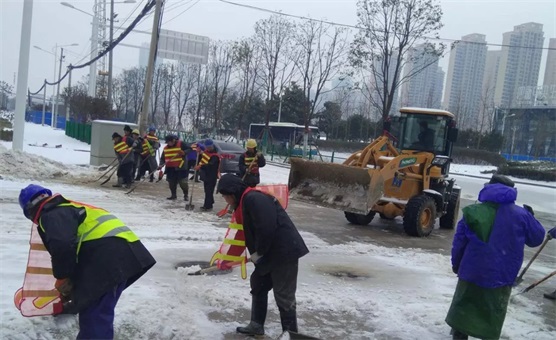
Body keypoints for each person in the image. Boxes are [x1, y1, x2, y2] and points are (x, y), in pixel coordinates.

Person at [18, 184, 156, 339]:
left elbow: (63, 246)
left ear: (30, 211)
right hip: (124, 255)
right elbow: (79, 246)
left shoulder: (51, 214)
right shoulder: (69, 208)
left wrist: (62, 277)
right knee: (96, 309)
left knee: (94, 316)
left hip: (109, 260)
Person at [446, 174, 546, 340]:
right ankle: (488, 335)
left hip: (471, 271)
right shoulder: (521, 215)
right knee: (492, 310)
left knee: (465, 305)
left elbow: (459, 243)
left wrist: (457, 264)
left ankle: (459, 333)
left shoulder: (473, 212)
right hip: (502, 274)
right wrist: (531, 218)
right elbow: (536, 239)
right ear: (512, 191)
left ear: (488, 188)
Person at [216, 174, 309, 336]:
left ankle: (290, 334)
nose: (225, 200)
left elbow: (266, 228)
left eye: (225, 196)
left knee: (283, 295)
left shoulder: (254, 199)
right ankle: (256, 325)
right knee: (258, 283)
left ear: (232, 193)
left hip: (283, 252)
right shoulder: (245, 200)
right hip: (269, 252)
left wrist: (259, 252)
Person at [158, 134, 191, 200]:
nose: (168, 144)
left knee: (183, 183)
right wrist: (161, 164)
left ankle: (186, 195)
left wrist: (184, 152)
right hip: (170, 168)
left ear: (173, 140)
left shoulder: (181, 144)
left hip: (180, 167)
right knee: (171, 183)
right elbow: (163, 158)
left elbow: (190, 149)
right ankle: (173, 195)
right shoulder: (165, 148)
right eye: (167, 142)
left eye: (169, 142)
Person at [194, 139, 220, 211]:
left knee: (209, 191)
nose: (208, 148)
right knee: (207, 191)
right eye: (207, 147)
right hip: (206, 175)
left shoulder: (215, 156)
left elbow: (210, 165)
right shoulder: (206, 152)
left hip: (212, 176)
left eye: (209, 147)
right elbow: (202, 158)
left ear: (212, 146)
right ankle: (210, 202)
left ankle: (207, 206)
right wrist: (199, 153)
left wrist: (200, 166)